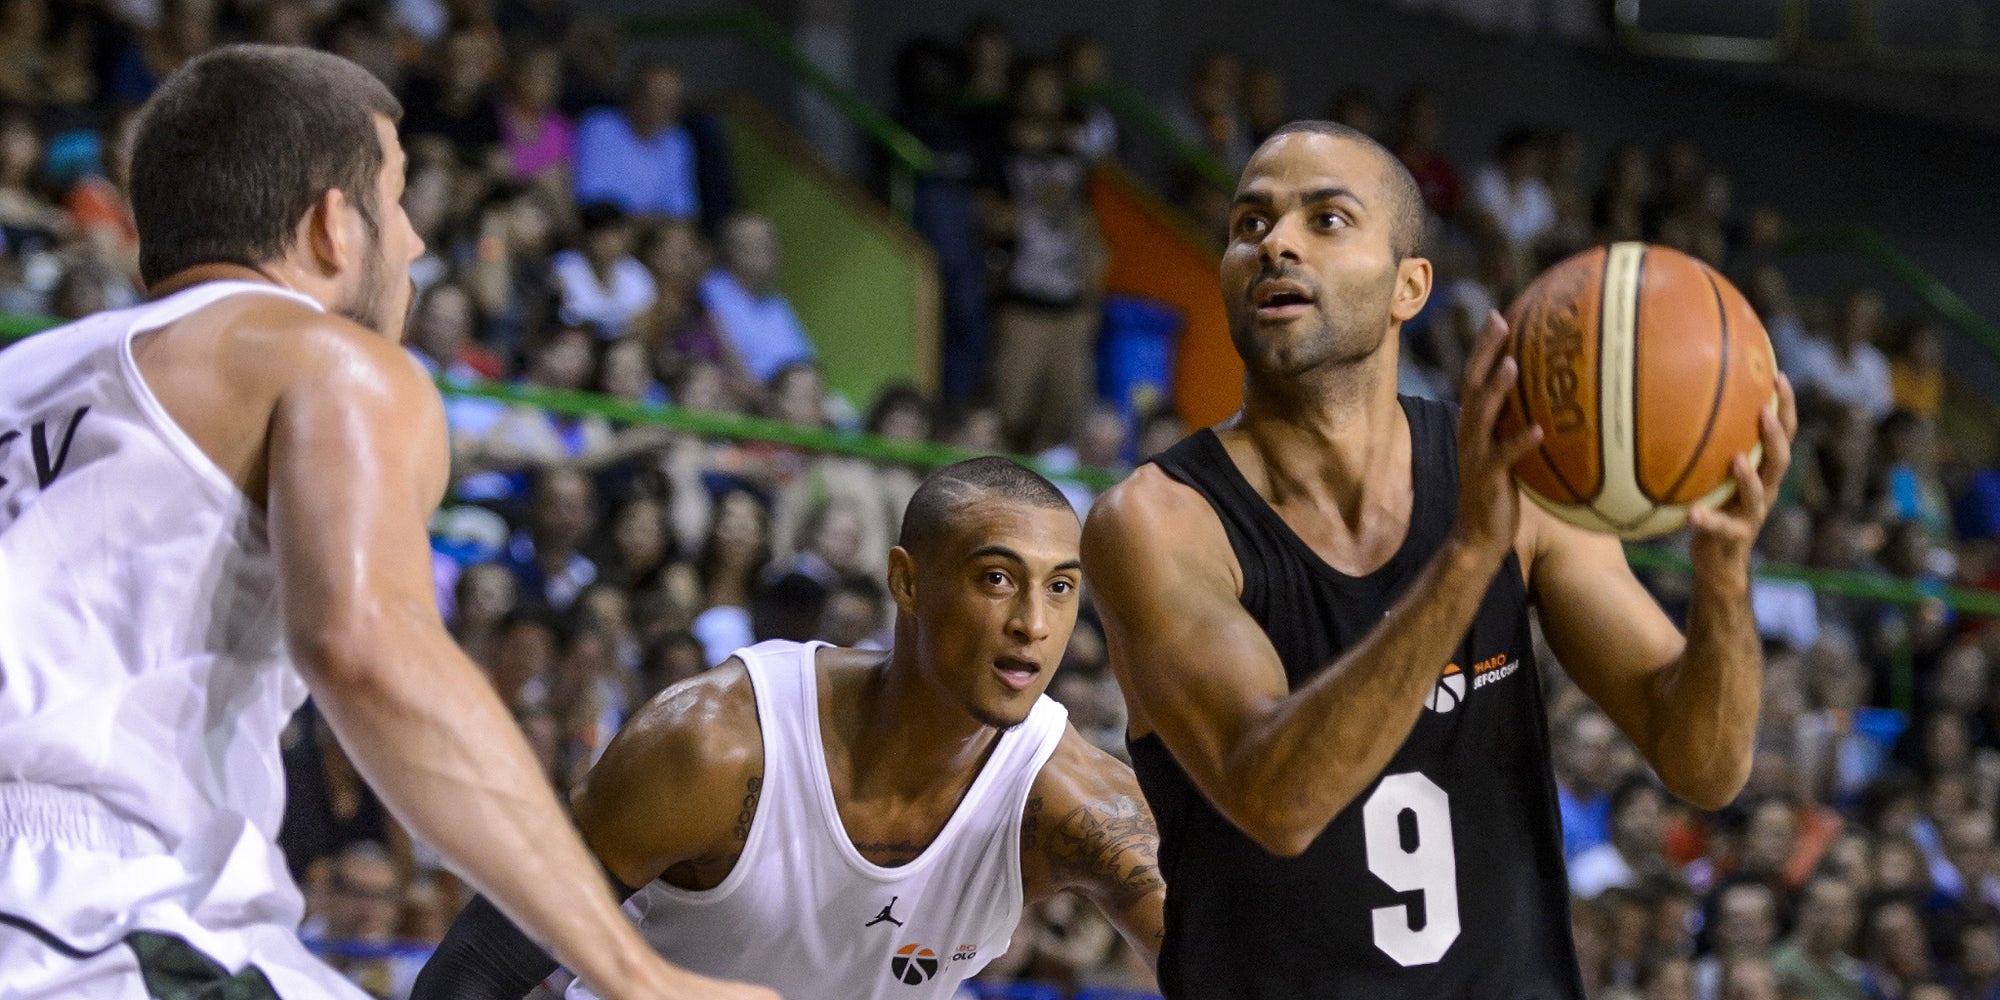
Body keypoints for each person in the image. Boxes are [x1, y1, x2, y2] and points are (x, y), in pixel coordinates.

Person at [0, 45, 768, 1000]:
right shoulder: (326, 360)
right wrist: (636, 974)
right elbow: (367, 646)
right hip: (88, 903)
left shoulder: (24, 373)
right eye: (397, 203)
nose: (410, 243)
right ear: (333, 226)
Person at [1081, 120, 1796, 997]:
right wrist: (1466, 558)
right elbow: (1279, 800)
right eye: (1249, 224)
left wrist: (1724, 576)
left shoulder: (1521, 470)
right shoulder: (1158, 523)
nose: (1276, 244)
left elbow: (1705, 766)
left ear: (1408, 286)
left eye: (1327, 219)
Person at [413, 457, 1166, 999]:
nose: (1033, 624)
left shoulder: (1073, 798)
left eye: (1062, 588)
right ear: (906, 581)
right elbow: (474, 969)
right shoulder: (715, 743)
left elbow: (1233, 968)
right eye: (997, 579)